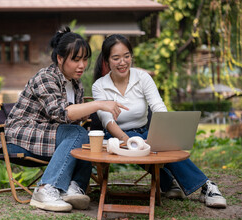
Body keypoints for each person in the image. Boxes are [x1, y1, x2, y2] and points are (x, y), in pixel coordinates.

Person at [92, 34, 227, 208]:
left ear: (131, 56)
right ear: (106, 60)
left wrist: (164, 134)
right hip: (117, 137)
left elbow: (158, 107)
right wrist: (129, 141)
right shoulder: (99, 86)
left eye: (126, 56)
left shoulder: (143, 78)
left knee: (165, 146)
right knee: (140, 145)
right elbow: (107, 121)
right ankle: (170, 182)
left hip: (145, 130)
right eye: (116, 58)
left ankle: (206, 186)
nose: (122, 62)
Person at [4, 27, 127, 212]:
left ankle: (73, 187)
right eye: (75, 59)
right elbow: (61, 113)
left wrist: (88, 113)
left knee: (86, 136)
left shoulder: (76, 85)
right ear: (60, 59)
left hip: (52, 136)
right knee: (78, 133)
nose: (82, 65)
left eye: (85, 59)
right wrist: (98, 104)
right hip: (22, 135)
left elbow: (71, 120)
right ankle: (46, 189)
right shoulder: (46, 77)